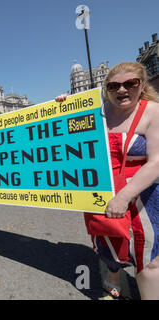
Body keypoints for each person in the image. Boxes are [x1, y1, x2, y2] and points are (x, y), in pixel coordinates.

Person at [56, 62, 159, 300]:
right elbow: (62, 138)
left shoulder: (152, 111)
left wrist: (124, 197)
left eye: (129, 84)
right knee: (108, 245)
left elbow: (156, 162)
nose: (121, 90)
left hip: (144, 197)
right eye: (114, 86)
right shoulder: (97, 111)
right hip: (103, 193)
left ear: (141, 85)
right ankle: (113, 274)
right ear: (106, 89)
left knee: (149, 260)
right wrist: (63, 107)